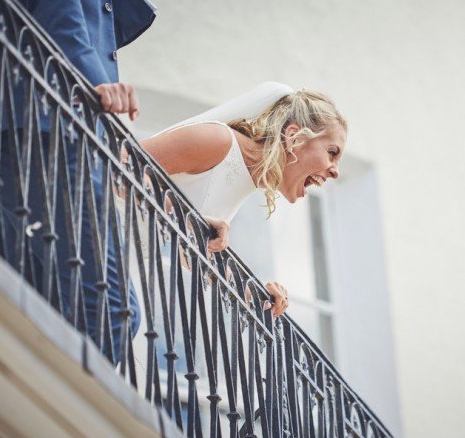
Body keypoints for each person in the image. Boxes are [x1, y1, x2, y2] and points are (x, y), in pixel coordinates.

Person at [0, 0, 163, 363]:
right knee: (111, 314)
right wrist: (93, 83)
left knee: (58, 313)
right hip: (44, 124)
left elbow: (80, 26)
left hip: (33, 123)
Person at [140, 82, 349, 318]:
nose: (335, 172)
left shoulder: (245, 181)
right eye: (332, 153)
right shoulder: (217, 140)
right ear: (294, 138)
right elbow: (120, 160)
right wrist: (184, 218)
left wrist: (258, 295)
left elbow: (192, 256)